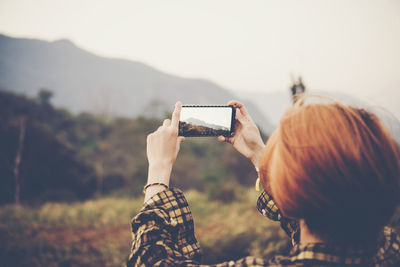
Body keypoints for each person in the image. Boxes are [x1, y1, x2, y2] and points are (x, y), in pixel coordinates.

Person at [127, 100, 400, 266]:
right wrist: (260, 154)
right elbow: (320, 216)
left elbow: (150, 260)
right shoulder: (389, 249)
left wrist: (158, 174)